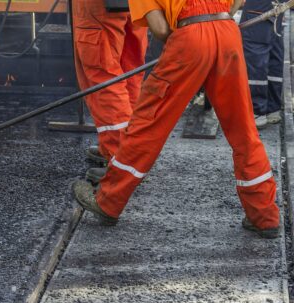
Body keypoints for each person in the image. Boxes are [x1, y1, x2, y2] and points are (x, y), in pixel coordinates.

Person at [73, 0, 280, 239]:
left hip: (189, 38)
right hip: (227, 33)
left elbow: (160, 29)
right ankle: (264, 216)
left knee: (148, 123)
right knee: (244, 131)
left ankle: (107, 202)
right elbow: (236, 3)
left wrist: (188, 39)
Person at [72, 0, 148, 183]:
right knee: (129, 71)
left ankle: (121, 161)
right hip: (138, 6)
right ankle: (132, 152)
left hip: (99, 9)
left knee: (103, 75)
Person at [240, 0, 284, 129]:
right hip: (275, 6)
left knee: (255, 56)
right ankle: (272, 108)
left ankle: (257, 111)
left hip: (258, 7)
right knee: (273, 52)